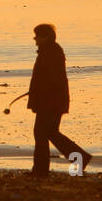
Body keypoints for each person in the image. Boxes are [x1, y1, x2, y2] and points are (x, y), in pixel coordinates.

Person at [28, 23, 91, 177]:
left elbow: (51, 79)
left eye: (37, 36)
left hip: (50, 101)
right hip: (52, 100)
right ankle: (79, 158)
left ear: (45, 37)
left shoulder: (51, 51)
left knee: (42, 133)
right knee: (50, 132)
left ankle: (41, 171)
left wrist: (39, 94)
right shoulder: (50, 50)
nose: (35, 39)